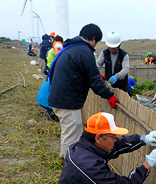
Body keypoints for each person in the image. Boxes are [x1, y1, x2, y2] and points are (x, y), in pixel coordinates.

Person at [55, 112, 156, 184]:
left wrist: (142, 139)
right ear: (98, 138)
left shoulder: (83, 148)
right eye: (113, 136)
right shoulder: (89, 166)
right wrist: (148, 164)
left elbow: (116, 145)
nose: (115, 139)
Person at [48, 23, 120, 158]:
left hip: (60, 97)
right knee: (72, 134)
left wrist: (96, 75)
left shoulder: (72, 48)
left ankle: (67, 158)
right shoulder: (84, 51)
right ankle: (70, 163)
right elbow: (94, 81)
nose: (95, 45)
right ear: (93, 38)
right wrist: (109, 95)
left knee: (69, 131)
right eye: (96, 42)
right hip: (67, 101)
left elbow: (81, 71)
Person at [35, 35, 64, 121]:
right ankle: (49, 111)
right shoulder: (58, 81)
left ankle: (49, 110)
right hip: (43, 101)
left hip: (40, 98)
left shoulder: (52, 51)